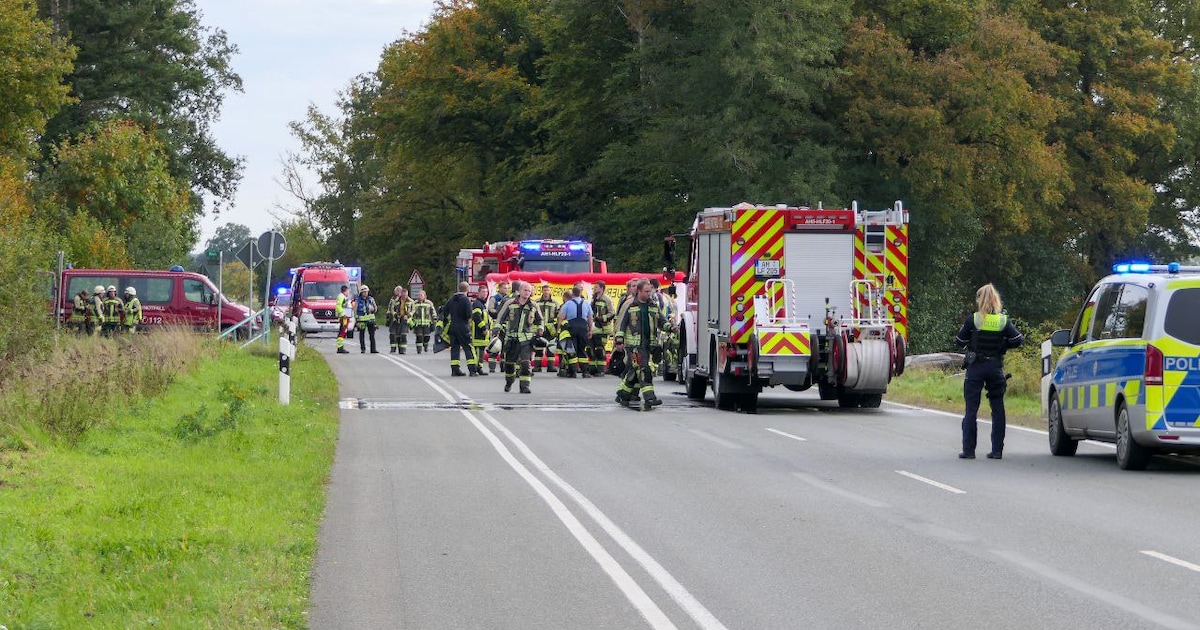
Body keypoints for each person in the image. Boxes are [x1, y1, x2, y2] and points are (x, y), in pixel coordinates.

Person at [955, 283, 1024, 460]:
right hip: (995, 367)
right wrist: (1003, 345)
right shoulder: (1002, 320)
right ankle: (997, 451)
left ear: (980, 299)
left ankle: (969, 451)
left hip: (976, 367)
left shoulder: (974, 319)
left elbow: (959, 341)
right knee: (998, 409)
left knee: (971, 410)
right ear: (996, 300)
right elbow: (1017, 339)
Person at [614, 279, 668, 410]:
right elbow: (622, 324)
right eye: (646, 291)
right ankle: (650, 398)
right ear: (638, 291)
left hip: (649, 345)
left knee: (634, 371)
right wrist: (619, 340)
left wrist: (671, 328)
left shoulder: (653, 305)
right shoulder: (630, 306)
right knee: (644, 369)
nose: (649, 294)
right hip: (634, 346)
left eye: (650, 291)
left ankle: (623, 394)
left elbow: (662, 321)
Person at [495, 281, 544, 394]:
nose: (527, 293)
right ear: (520, 291)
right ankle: (509, 381)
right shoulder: (510, 303)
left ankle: (524, 386)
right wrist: (496, 330)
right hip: (511, 339)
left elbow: (540, 319)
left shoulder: (533, 305)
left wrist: (540, 328)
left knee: (526, 364)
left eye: (529, 291)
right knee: (509, 364)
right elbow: (500, 318)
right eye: (525, 290)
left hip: (526, 340)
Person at [556, 282, 594, 378]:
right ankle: (585, 372)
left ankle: (572, 372)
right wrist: (590, 330)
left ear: (572, 294)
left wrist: (558, 330)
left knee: (571, 350)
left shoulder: (567, 304)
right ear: (580, 293)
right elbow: (590, 318)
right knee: (582, 350)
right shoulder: (586, 304)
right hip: (583, 328)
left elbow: (561, 317)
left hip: (571, 328)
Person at [443, 282, 476, 376]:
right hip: (463, 327)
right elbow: (469, 314)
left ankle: (455, 370)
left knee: (454, 348)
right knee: (467, 347)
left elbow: (445, 311)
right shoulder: (466, 300)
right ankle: (472, 370)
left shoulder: (452, 299)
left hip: (452, 326)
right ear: (467, 289)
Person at [589, 280, 615, 377]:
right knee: (591, 349)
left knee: (600, 349)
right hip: (594, 328)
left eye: (596, 287)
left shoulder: (607, 299)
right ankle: (592, 369)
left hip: (604, 328)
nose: (594, 288)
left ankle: (601, 370)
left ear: (602, 288)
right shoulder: (594, 299)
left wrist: (602, 318)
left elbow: (612, 313)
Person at [533, 283, 560, 372]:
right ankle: (537, 367)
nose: (546, 292)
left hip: (551, 329)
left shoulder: (555, 303)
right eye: (544, 290)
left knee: (551, 347)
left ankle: (551, 367)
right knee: (539, 348)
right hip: (539, 328)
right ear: (542, 291)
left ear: (550, 291)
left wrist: (556, 327)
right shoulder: (537, 302)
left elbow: (559, 315)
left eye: (547, 290)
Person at [470, 285, 493, 376]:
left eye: (486, 292)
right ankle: (475, 369)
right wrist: (483, 328)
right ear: (478, 293)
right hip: (478, 333)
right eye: (483, 292)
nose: (485, 294)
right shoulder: (477, 304)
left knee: (481, 353)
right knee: (477, 353)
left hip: (483, 334)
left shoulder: (482, 304)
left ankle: (479, 368)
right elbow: (476, 318)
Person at [386, 286, 413, 354]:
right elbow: (391, 308)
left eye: (399, 291)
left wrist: (408, 315)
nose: (398, 293)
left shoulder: (410, 301)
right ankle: (393, 348)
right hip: (395, 319)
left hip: (405, 319)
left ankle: (402, 349)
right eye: (396, 291)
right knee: (394, 335)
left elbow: (413, 310)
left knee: (403, 334)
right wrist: (392, 316)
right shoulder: (394, 300)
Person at [355, 285, 379, 353]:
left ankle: (373, 349)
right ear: (361, 293)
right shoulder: (358, 300)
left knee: (372, 335)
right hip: (361, 320)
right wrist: (357, 320)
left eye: (366, 292)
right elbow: (355, 310)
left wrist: (373, 309)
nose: (365, 293)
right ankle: (363, 349)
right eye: (364, 292)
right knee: (362, 335)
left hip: (371, 320)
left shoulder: (371, 299)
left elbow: (376, 308)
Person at [335, 285, 352, 354]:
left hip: (346, 317)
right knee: (343, 331)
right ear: (345, 290)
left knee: (343, 331)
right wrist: (343, 314)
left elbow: (346, 306)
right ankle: (340, 347)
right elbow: (338, 306)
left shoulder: (344, 297)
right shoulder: (341, 296)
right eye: (348, 291)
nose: (348, 292)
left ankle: (340, 347)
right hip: (344, 317)